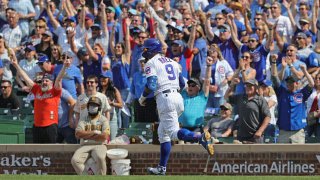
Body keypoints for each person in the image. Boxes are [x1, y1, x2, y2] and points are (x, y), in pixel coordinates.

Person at [139, 38, 213, 175]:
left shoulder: (151, 62)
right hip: (178, 98)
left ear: (151, 50)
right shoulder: (172, 61)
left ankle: (199, 137)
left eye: (146, 49)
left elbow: (152, 85)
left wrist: (143, 97)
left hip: (165, 98)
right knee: (163, 133)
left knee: (173, 133)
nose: (144, 52)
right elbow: (182, 84)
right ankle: (161, 168)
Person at [9, 48, 65, 144]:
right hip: (37, 126)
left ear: (51, 83)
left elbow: (59, 79)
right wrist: (16, 65)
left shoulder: (55, 92)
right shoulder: (37, 90)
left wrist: (65, 67)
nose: (44, 82)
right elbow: (26, 78)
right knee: (37, 153)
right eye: (43, 81)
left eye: (47, 81)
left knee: (51, 153)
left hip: (50, 126)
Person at [271, 55, 314, 144]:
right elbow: (274, 78)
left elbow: (311, 84)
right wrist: (274, 63)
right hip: (283, 131)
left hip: (298, 131)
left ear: (296, 83)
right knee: (282, 157)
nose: (289, 84)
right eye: (287, 82)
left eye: (291, 82)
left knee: (299, 156)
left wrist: (304, 71)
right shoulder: (281, 92)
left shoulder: (302, 93)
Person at [71, 96, 110, 175]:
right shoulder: (83, 119)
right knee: (75, 160)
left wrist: (86, 134)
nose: (92, 107)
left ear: (99, 108)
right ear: (88, 107)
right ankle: (87, 177)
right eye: (91, 105)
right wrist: (94, 132)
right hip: (85, 145)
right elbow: (78, 134)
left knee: (100, 158)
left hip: (100, 145)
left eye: (95, 105)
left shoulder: (103, 119)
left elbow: (105, 136)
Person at [225, 78, 271, 143]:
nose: (247, 87)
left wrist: (260, 131)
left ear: (256, 87)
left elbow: (267, 117)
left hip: (255, 136)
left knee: (256, 153)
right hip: (241, 136)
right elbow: (226, 97)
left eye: (250, 86)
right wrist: (232, 85)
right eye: (246, 86)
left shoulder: (261, 100)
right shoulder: (241, 97)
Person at [178, 55, 212, 132]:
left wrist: (209, 66)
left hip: (196, 129)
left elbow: (207, 82)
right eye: (189, 85)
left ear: (198, 88)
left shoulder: (202, 97)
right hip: (182, 128)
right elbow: (178, 80)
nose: (190, 87)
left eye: (193, 85)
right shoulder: (183, 95)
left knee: (194, 142)